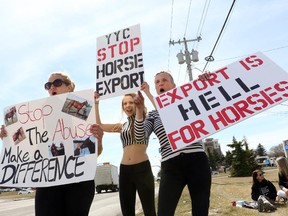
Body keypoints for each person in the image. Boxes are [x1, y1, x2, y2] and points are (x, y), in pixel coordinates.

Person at [1, 72, 104, 216]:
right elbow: (30, 147)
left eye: (57, 83)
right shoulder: (41, 113)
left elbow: (96, 152)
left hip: (78, 182)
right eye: (48, 85)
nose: (51, 87)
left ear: (69, 87)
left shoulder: (82, 111)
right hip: (48, 181)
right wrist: (8, 137)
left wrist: (98, 139)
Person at [138, 71, 212, 216]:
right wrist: (140, 111)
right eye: (157, 82)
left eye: (164, 80)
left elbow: (210, 100)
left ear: (173, 85)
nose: (160, 83)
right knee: (164, 212)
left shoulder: (187, 102)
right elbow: (140, 136)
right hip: (170, 166)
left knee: (201, 210)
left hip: (196, 161)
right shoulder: (153, 115)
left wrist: (206, 82)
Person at [94, 92, 156, 216]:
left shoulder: (147, 121)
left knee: (149, 210)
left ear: (138, 103)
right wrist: (96, 103)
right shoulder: (122, 126)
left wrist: (141, 107)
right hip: (125, 170)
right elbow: (100, 125)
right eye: (124, 103)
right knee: (127, 211)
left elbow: (139, 136)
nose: (127, 105)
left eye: (131, 102)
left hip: (142, 168)